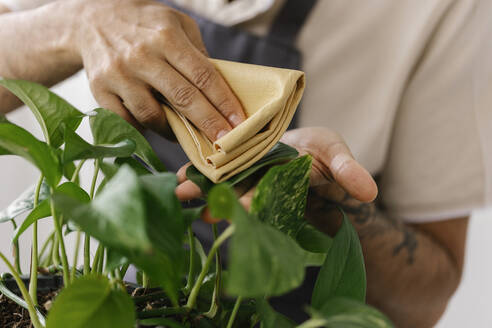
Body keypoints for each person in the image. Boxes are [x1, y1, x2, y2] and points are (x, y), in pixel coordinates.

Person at [0, 0, 491, 327]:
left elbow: (429, 293)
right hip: (68, 291)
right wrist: (73, 25)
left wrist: (318, 197)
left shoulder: (439, 10)